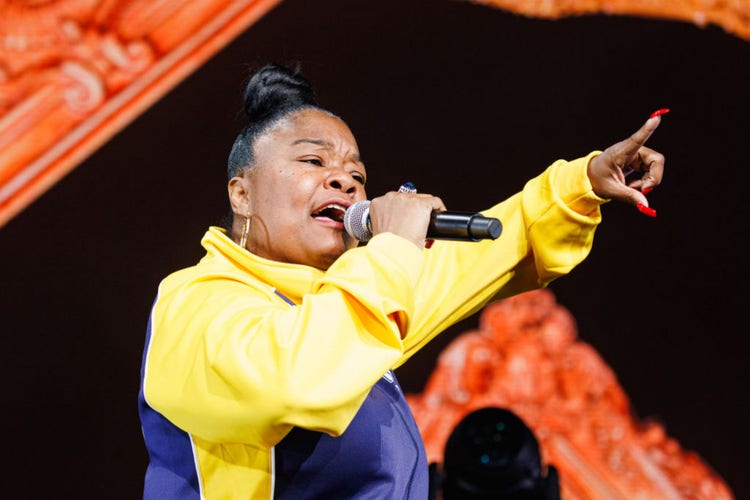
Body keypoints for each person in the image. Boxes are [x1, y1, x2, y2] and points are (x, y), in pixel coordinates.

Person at [138, 63, 666, 499]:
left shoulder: (349, 305)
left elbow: (493, 252)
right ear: (242, 194)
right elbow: (292, 380)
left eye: (357, 175)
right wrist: (392, 246)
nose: (345, 180)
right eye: (313, 160)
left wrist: (583, 184)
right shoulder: (193, 303)